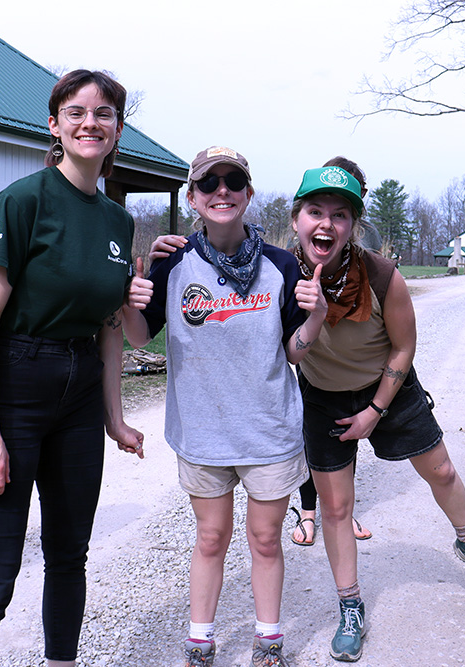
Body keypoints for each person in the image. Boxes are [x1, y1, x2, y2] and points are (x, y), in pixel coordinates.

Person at [0, 70, 145, 667]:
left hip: (79, 390)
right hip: (13, 384)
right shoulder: (22, 201)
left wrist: (114, 418)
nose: (90, 123)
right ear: (54, 125)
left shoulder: (117, 220)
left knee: (69, 556)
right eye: (76, 112)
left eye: (104, 114)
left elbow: (110, 327)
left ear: (117, 130)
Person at [290, 166, 465, 662]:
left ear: (354, 224)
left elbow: (404, 347)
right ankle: (350, 606)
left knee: (442, 471)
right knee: (336, 509)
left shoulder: (382, 275)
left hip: (387, 386)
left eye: (340, 215)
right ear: (297, 218)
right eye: (315, 211)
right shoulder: (282, 273)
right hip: (323, 396)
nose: (326, 223)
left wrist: (374, 410)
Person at [127, 146, 326, 667]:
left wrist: (316, 318)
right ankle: (200, 642)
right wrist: (126, 305)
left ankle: (268, 641)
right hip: (202, 433)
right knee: (211, 537)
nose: (222, 191)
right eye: (208, 183)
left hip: (268, 432)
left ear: (248, 194)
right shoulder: (173, 262)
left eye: (233, 181)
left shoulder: (282, 265)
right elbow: (139, 337)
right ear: (192, 197)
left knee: (266, 540)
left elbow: (293, 352)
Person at [291, 156, 375, 548]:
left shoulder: (363, 242)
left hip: (342, 359)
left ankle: (342, 509)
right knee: (310, 435)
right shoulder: (296, 251)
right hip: (308, 360)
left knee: (345, 439)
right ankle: (309, 511)